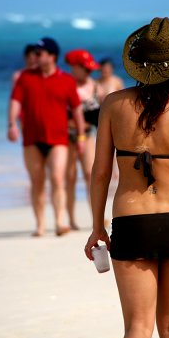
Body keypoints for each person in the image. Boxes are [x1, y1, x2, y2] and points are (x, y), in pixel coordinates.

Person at [84, 17, 169, 338]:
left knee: (137, 328)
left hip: (132, 222)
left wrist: (97, 226)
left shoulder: (114, 104)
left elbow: (100, 172)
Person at [8, 37, 86, 237]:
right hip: (32, 140)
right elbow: (15, 102)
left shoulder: (66, 80)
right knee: (37, 182)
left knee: (57, 179)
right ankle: (40, 225)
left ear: (52, 56)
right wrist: (11, 125)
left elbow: (77, 111)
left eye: (40, 53)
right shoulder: (25, 77)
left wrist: (82, 136)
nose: (35, 56)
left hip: (58, 139)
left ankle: (60, 222)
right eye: (35, 53)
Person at [65, 49, 102, 230]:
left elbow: (103, 116)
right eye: (85, 69)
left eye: (90, 70)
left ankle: (96, 217)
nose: (89, 73)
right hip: (66, 136)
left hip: (87, 136)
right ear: (75, 67)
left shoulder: (96, 87)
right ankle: (70, 219)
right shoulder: (66, 85)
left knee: (91, 175)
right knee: (69, 178)